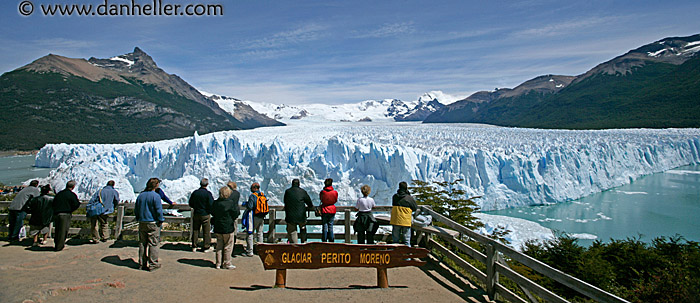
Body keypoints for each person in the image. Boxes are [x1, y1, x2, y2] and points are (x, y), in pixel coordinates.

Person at [135, 178, 164, 271]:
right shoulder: (155, 196)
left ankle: (141, 263)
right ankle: (153, 264)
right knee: (153, 243)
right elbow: (159, 210)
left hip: (142, 222)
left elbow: (136, 209)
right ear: (155, 185)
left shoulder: (140, 196)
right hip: (152, 222)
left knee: (142, 243)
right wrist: (160, 220)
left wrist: (139, 218)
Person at [211, 184, 240, 269]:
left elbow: (212, 212)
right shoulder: (230, 203)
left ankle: (218, 263)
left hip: (217, 227)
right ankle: (227, 263)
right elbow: (235, 213)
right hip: (228, 227)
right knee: (228, 246)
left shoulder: (215, 203)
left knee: (219, 245)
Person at [52, 180, 81, 251]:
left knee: (57, 229)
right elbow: (76, 204)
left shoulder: (59, 194)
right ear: (73, 187)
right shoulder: (71, 195)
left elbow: (53, 203)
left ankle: (57, 243)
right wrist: (71, 209)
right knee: (63, 230)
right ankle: (59, 246)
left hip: (57, 214)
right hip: (65, 214)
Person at [283, 179, 313, 243]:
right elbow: (309, 202)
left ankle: (295, 246)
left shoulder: (288, 192)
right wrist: (311, 207)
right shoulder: (302, 192)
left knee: (292, 231)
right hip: (301, 215)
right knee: (303, 228)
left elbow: (285, 201)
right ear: (299, 184)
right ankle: (304, 243)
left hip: (290, 216)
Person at [242, 182, 268, 256]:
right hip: (262, 216)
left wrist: (246, 204)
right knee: (260, 233)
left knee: (250, 233)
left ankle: (250, 251)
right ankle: (261, 250)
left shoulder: (252, 196)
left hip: (254, 217)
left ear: (254, 188)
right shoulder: (263, 195)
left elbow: (250, 207)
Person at [189, 178, 214, 252]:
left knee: (195, 230)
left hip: (196, 213)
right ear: (207, 184)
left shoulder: (195, 193)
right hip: (205, 214)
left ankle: (194, 246)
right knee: (206, 231)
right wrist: (209, 211)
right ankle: (206, 246)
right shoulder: (208, 194)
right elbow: (211, 204)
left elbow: (191, 203)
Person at [390, 182, 417, 247]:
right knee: (406, 241)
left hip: (396, 220)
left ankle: (395, 255)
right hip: (406, 221)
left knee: (395, 241)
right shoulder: (409, 198)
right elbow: (414, 207)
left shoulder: (395, 197)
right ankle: (407, 256)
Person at [319, 178, 338, 242]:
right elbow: (335, 200)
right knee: (330, 226)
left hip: (324, 210)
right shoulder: (335, 193)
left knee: (324, 225)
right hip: (332, 210)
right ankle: (331, 240)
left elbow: (321, 199)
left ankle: (324, 240)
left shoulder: (322, 192)